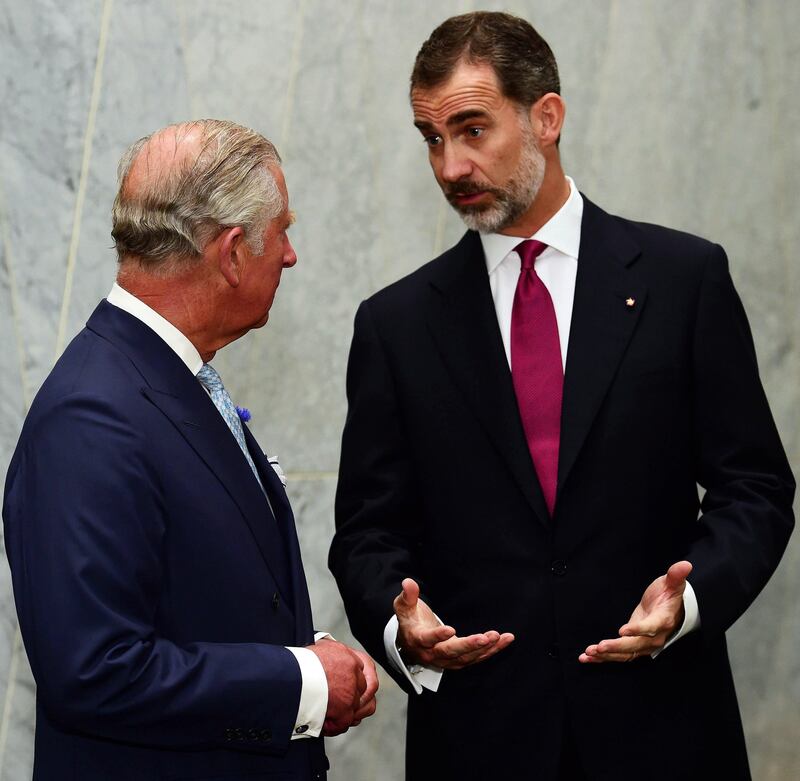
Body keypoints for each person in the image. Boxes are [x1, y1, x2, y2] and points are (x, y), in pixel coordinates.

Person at [329, 12, 794, 780]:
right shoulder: (396, 324)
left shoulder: (683, 280)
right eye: (433, 139)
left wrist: (691, 600)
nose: (450, 166)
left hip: (665, 731)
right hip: (480, 740)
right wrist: (396, 617)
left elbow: (756, 489)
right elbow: (368, 530)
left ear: (546, 117)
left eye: (472, 129)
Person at [3, 119, 377, 781]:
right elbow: (97, 670)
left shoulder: (167, 375)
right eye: (283, 230)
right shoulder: (91, 416)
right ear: (232, 253)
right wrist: (300, 682)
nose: (290, 255)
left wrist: (303, 652)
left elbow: (196, 593)